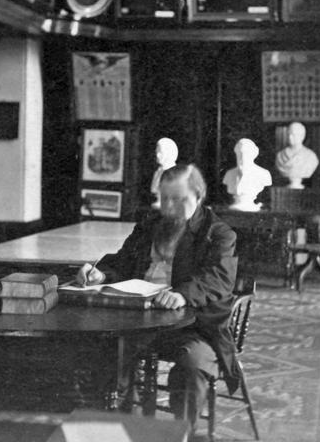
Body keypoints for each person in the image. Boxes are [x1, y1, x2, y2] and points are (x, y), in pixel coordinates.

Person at [75, 164, 239, 436]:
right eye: (165, 199)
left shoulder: (218, 233)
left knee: (193, 364)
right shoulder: (150, 225)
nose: (170, 206)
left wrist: (182, 294)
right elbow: (123, 261)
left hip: (190, 327)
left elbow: (219, 277)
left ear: (198, 197)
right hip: (137, 321)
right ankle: (127, 428)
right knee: (105, 355)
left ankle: (181, 433)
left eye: (179, 199)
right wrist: (100, 274)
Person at [223, 138, 272, 211]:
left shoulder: (264, 174)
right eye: (240, 153)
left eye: (246, 154)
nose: (242, 158)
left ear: (253, 155)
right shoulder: (229, 174)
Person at [275, 122, 319, 188]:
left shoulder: (311, 157)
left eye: (293, 135)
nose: (290, 137)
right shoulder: (280, 156)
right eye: (288, 134)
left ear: (302, 136)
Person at [150, 137, 179, 208]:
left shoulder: (175, 173)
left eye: (160, 152)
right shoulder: (158, 172)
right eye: (156, 152)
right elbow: (154, 189)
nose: (157, 155)